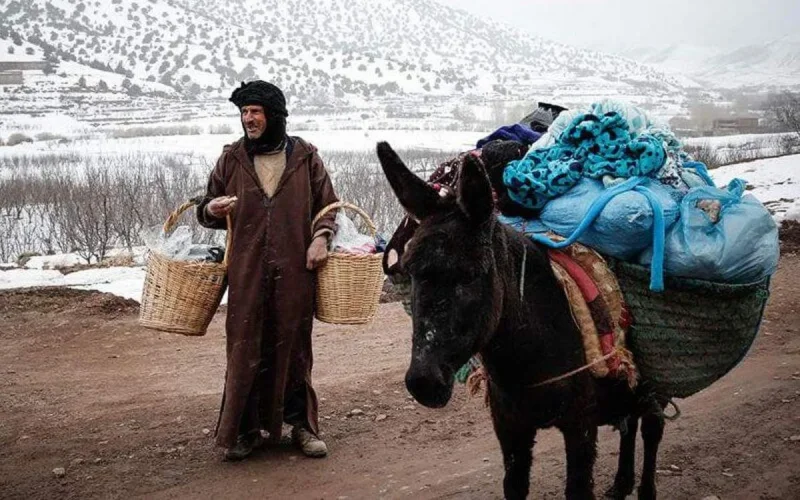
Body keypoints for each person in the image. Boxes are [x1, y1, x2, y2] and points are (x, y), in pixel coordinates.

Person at [197, 80, 338, 461]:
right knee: (244, 348)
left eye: (255, 112)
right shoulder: (232, 158)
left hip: (295, 268)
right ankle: (245, 432)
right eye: (244, 113)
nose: (248, 120)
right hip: (245, 270)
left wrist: (320, 238)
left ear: (274, 115)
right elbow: (205, 203)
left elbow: (328, 207)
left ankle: (303, 428)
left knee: (294, 347)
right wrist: (211, 210)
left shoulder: (305, 156)